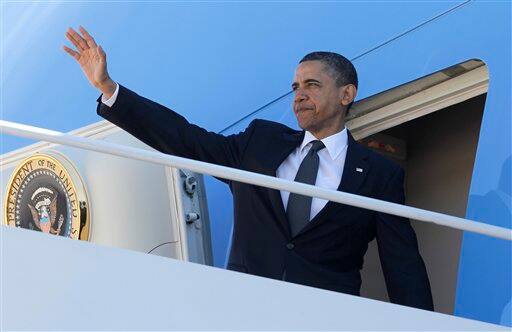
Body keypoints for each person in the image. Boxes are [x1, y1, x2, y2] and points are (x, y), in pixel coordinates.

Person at [63, 26, 434, 310]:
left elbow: (402, 264)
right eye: (295, 86)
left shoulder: (380, 174)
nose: (299, 94)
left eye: (312, 85)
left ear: (346, 94)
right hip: (243, 310)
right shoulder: (261, 142)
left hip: (326, 316)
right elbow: (186, 140)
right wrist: (110, 88)